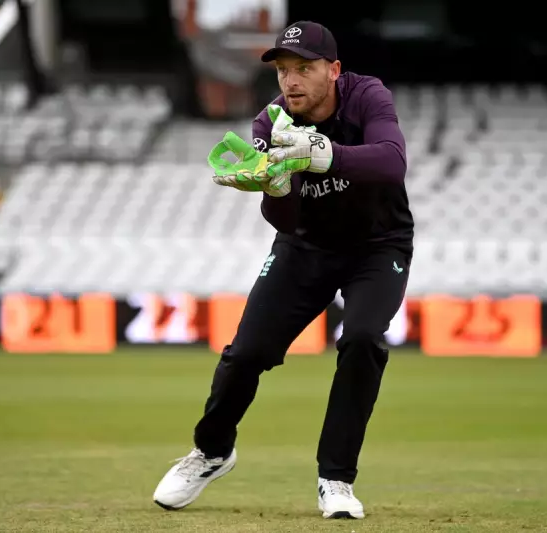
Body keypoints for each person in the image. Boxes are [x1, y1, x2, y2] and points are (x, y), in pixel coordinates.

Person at [152, 21, 414, 520]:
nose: (291, 81)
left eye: (304, 69)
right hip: (305, 246)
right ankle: (211, 452)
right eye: (283, 71)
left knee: (361, 338)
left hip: (378, 245)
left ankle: (335, 480)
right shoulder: (269, 124)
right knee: (247, 352)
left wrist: (322, 155)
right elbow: (286, 218)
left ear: (334, 71)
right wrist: (273, 187)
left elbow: (391, 163)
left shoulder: (366, 97)